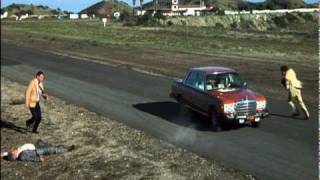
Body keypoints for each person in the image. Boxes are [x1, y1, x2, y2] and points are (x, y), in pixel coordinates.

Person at [1, 139, 75, 162]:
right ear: (14, 155)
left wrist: (3, 154)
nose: (13, 150)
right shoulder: (22, 156)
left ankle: (64, 147)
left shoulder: (17, 152)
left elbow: (8, 153)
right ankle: (67, 149)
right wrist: (39, 159)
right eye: (13, 151)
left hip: (36, 146)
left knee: (43, 142)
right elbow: (30, 158)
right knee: (53, 149)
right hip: (37, 150)